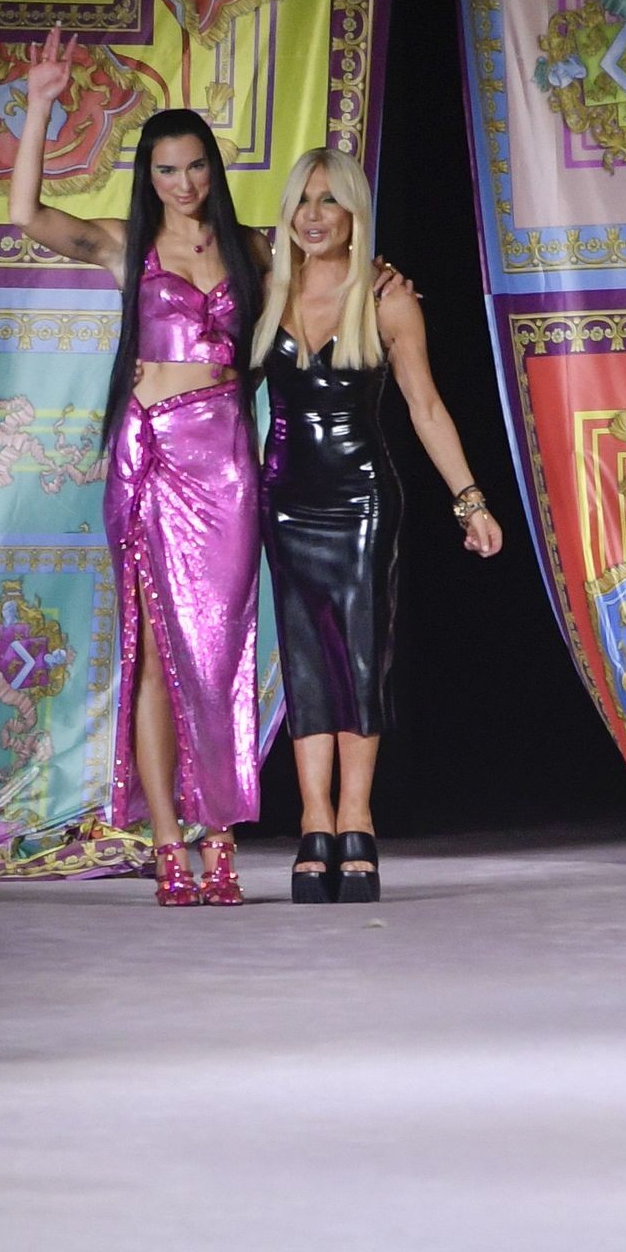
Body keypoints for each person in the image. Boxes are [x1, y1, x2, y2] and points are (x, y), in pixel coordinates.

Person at [9, 27, 269, 907]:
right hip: (150, 453)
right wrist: (40, 104)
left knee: (220, 648)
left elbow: (335, 261)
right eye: (166, 170)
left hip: (225, 462)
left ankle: (221, 833)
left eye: (194, 168)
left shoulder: (252, 249)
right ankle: (169, 843)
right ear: (148, 176)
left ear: (212, 171)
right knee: (155, 652)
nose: (183, 184)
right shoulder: (129, 245)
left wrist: (386, 282)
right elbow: (27, 216)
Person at [252, 147, 503, 905]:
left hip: (361, 498)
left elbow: (425, 407)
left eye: (330, 200)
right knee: (304, 659)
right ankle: (314, 822)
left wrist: (471, 500)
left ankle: (357, 820)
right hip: (284, 499)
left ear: (354, 211)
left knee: (359, 657)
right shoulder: (265, 281)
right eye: (303, 201)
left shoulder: (386, 296)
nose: (314, 215)